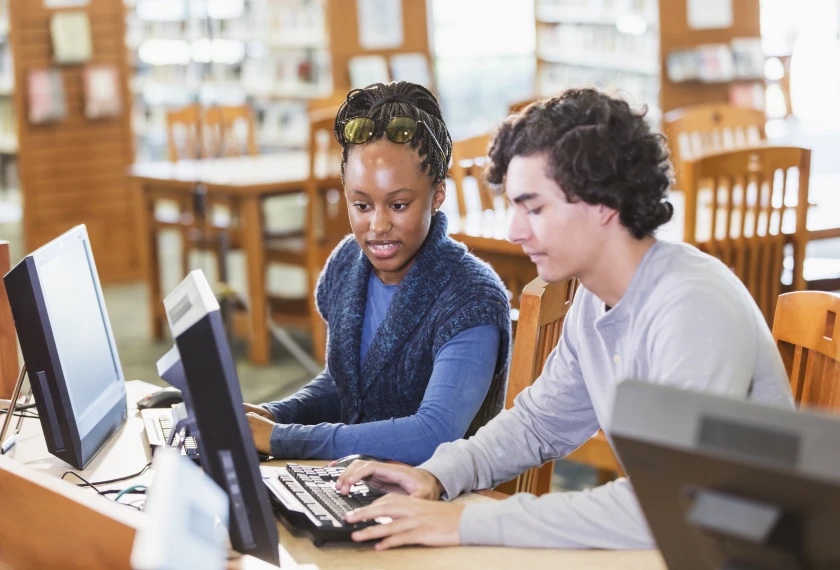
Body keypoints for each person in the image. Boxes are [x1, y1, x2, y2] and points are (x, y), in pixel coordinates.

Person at [335, 88, 794, 549]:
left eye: (534, 208)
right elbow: (539, 423)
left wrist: (462, 524)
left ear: (602, 204)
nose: (516, 231)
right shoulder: (596, 299)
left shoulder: (692, 307)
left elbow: (666, 505)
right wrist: (434, 475)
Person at [244, 81, 512, 466]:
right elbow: (347, 385)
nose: (378, 225)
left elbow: (433, 435)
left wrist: (284, 438)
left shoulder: (471, 297)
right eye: (362, 205)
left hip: (438, 504)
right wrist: (276, 415)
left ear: (437, 195)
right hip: (350, 485)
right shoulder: (346, 265)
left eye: (399, 205)